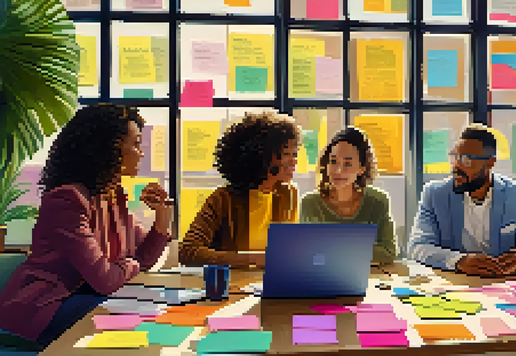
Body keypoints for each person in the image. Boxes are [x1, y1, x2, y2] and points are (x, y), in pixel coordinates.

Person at [0, 104, 172, 350]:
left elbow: (144, 258)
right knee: (135, 321)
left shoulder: (112, 196)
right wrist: (131, 264)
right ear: (108, 149)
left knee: (146, 315)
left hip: (84, 297)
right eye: (135, 144)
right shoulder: (67, 200)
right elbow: (107, 279)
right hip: (45, 306)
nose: (141, 153)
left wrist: (163, 217)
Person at [408, 124, 516, 277]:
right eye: (454, 157)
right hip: (454, 282)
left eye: (466, 160)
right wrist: (459, 261)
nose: (456, 165)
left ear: (490, 163)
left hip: (500, 282)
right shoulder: (434, 193)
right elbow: (418, 246)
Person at [179, 112, 300, 268]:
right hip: (232, 287)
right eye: (286, 154)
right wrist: (253, 259)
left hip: (271, 285)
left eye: (294, 153)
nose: (294, 161)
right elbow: (188, 252)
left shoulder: (288, 194)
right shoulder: (223, 198)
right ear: (260, 156)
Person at [299, 127, 397, 265]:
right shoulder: (310, 203)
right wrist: (357, 251)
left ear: (362, 169)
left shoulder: (378, 201)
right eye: (333, 162)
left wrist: (332, 250)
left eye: (348, 164)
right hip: (322, 278)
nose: (338, 171)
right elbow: (305, 254)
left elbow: (388, 252)